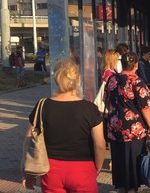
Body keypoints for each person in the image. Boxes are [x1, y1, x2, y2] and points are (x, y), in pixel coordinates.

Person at [21, 59, 106, 192]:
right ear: (78, 79)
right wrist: (97, 168)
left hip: (51, 170)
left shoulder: (43, 106)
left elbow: (28, 139)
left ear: (56, 80)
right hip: (83, 170)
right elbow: (100, 145)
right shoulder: (90, 109)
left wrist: (28, 171)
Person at [105, 52, 150, 193]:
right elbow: (145, 107)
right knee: (132, 170)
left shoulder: (112, 80)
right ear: (136, 65)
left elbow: (106, 100)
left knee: (120, 167)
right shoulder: (136, 82)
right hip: (134, 132)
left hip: (114, 130)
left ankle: (121, 189)